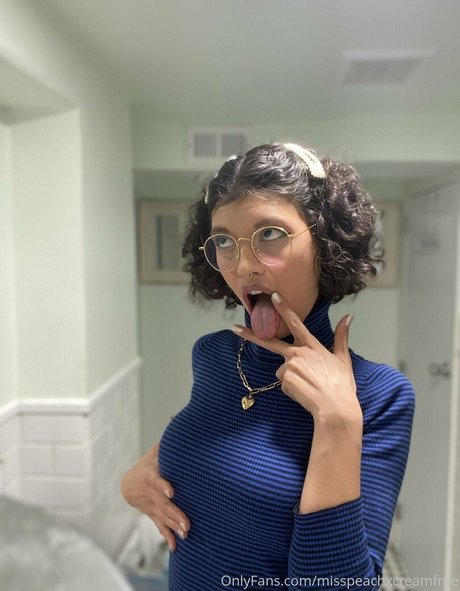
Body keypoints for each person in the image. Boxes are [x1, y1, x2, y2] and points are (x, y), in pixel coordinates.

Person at [121, 143, 415, 591]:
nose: (243, 267)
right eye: (224, 241)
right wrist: (134, 481)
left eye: (271, 234)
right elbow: (208, 448)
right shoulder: (214, 355)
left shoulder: (380, 396)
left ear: (326, 244)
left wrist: (337, 422)